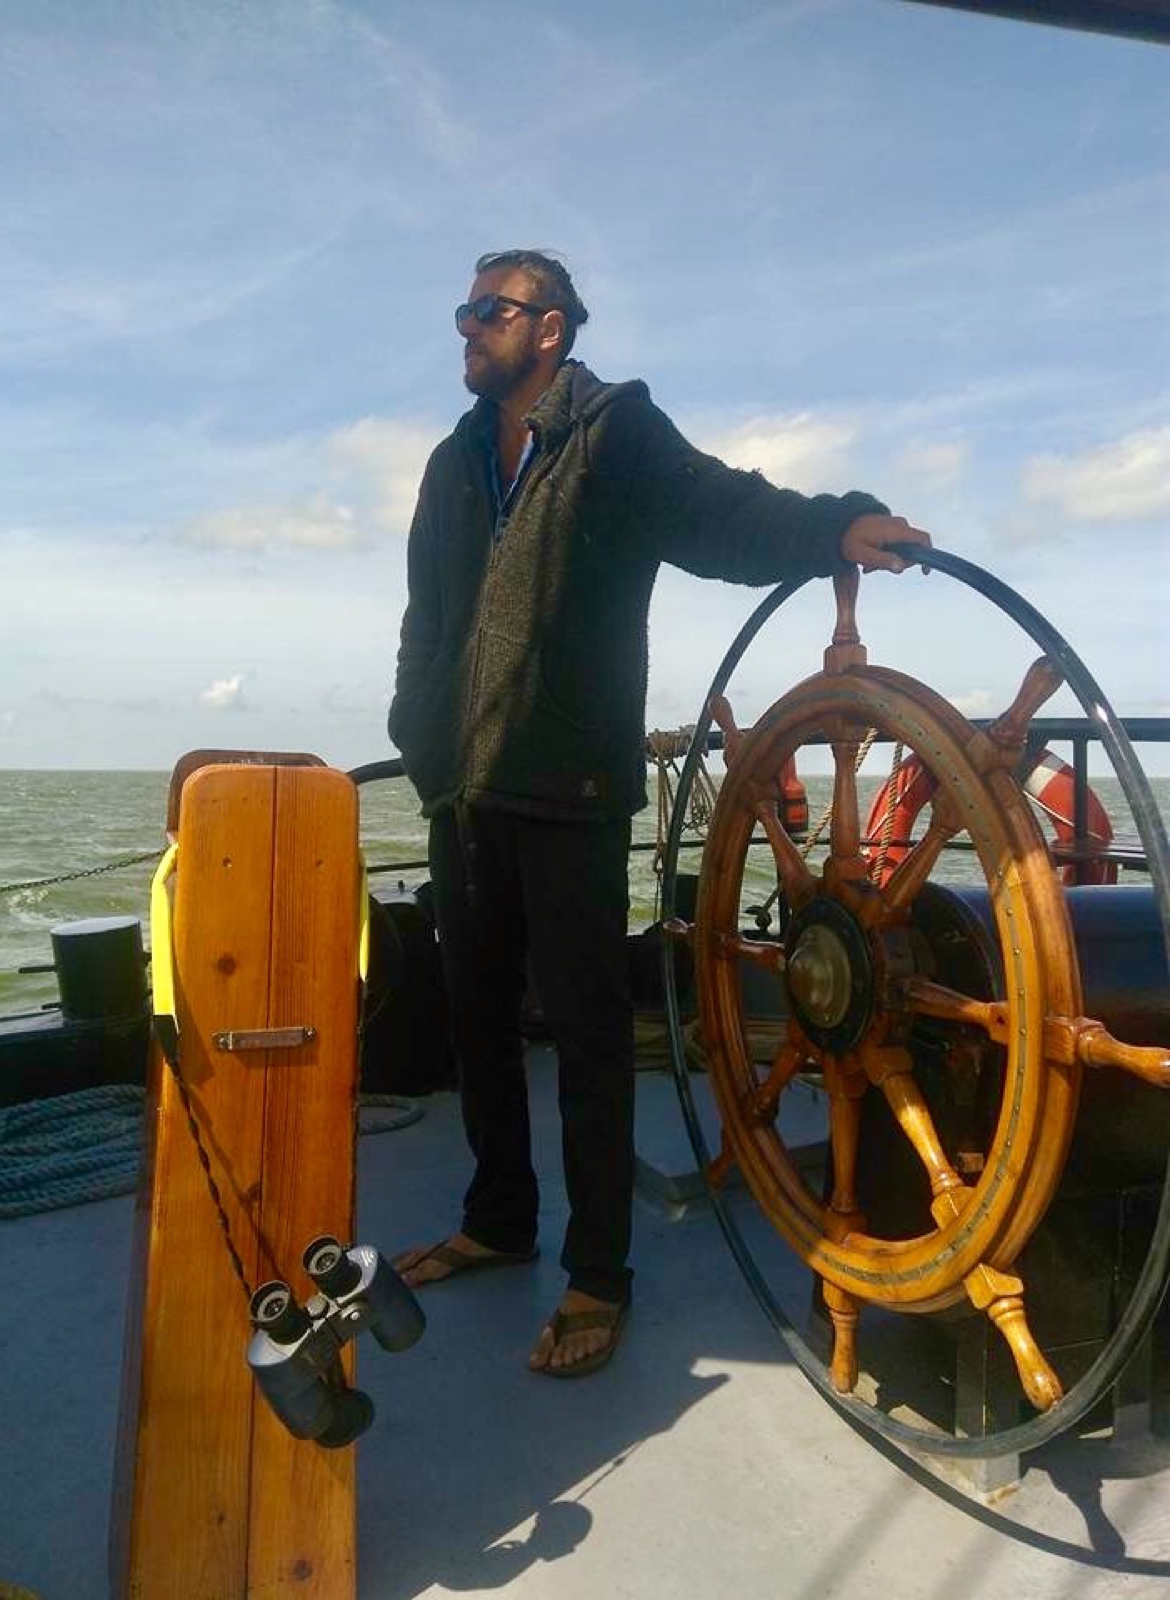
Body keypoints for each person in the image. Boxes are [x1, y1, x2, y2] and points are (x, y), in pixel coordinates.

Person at [388, 249, 931, 1377]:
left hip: (573, 786)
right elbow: (425, 615)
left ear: (550, 330)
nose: (468, 329)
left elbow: (715, 508)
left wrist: (835, 523)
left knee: (586, 1041)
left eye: (491, 311)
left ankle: (598, 1274)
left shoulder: (614, 432)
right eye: (465, 311)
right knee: (475, 1023)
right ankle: (498, 1219)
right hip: (464, 787)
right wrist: (416, 726)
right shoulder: (450, 464)